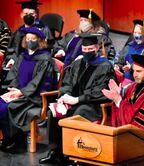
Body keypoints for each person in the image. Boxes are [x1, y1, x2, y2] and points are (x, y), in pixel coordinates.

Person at [39, 33, 116, 164]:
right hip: (73, 100)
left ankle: (73, 155)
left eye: (90, 49)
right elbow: (67, 82)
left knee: (77, 115)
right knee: (53, 112)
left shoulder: (105, 66)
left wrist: (78, 99)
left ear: (97, 48)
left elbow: (101, 91)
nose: (87, 52)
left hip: (93, 105)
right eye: (84, 49)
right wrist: (64, 96)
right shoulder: (78, 63)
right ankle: (55, 151)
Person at [0, 27, 58, 151]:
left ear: (39, 41)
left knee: (9, 107)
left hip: (34, 97)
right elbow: (14, 75)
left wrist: (21, 92)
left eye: (33, 39)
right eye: (28, 39)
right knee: (0, 104)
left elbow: (41, 83)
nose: (30, 41)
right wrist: (14, 90)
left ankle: (17, 140)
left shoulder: (45, 59)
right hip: (19, 92)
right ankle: (8, 138)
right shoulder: (22, 56)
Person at [4, 0, 53, 69]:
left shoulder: (43, 29)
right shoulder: (19, 31)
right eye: (26, 14)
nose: (28, 16)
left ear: (36, 15)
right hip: (19, 63)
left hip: (39, 63)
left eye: (31, 14)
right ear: (21, 15)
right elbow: (13, 50)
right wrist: (12, 59)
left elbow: (50, 48)